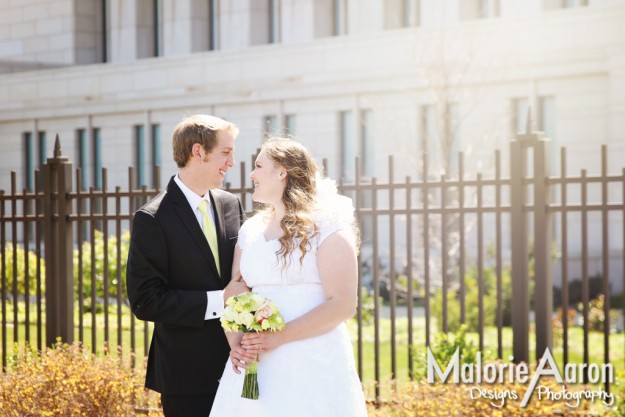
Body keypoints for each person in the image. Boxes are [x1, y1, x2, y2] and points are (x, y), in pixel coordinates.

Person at [209, 136, 368, 417]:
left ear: (282, 171)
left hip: (312, 360)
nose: (252, 175)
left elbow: (342, 304)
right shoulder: (251, 230)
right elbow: (236, 291)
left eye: (259, 166)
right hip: (256, 361)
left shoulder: (328, 226)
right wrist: (236, 343)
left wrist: (278, 337)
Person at [126, 114, 249, 417]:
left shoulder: (231, 204)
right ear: (198, 151)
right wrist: (219, 300)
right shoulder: (153, 218)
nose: (232, 161)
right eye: (226, 152)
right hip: (187, 376)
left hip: (242, 367)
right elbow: (145, 301)